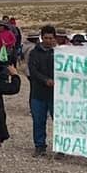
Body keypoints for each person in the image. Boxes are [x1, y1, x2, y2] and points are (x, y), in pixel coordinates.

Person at [28, 25, 57, 158]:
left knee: (58, 121)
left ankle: (61, 147)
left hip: (56, 95)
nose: (48, 40)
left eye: (50, 38)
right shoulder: (34, 53)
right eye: (45, 38)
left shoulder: (59, 53)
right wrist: (46, 80)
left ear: (54, 38)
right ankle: (40, 146)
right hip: (38, 94)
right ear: (42, 37)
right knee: (39, 121)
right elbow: (33, 71)